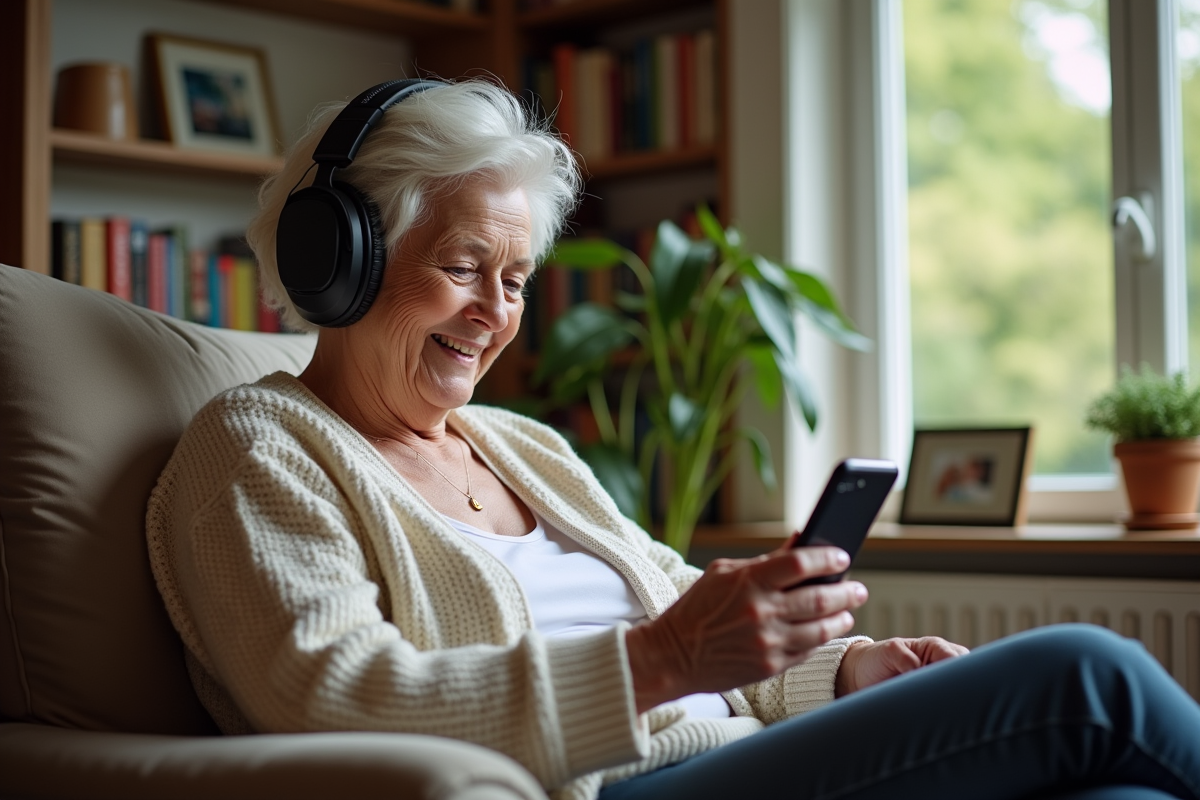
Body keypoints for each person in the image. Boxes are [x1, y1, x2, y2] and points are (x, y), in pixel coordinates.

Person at [146, 78, 1200, 800]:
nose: (494, 312)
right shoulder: (256, 450)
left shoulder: (523, 447)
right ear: (346, 258)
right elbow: (335, 698)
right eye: (465, 265)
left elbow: (686, 615)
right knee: (1086, 671)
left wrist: (844, 670)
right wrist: (663, 659)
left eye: (513, 281)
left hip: (735, 756)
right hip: (612, 788)